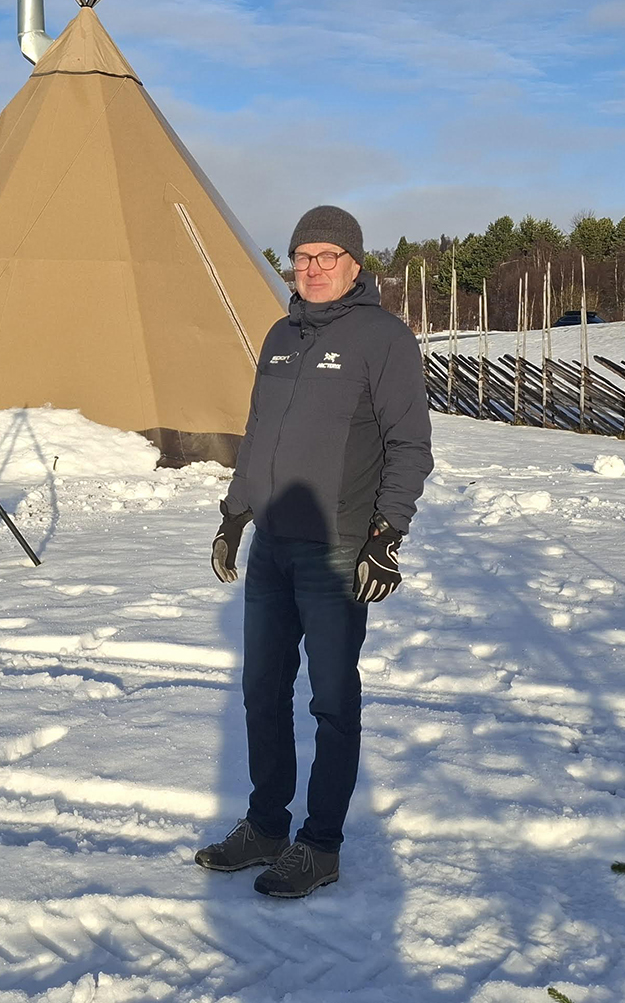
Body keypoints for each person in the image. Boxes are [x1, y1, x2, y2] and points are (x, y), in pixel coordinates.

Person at [195, 205, 433, 898]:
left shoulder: (382, 337)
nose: (313, 268)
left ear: (354, 263)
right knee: (261, 691)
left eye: (328, 256)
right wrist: (234, 515)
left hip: (338, 550)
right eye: (303, 256)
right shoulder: (279, 335)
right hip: (272, 547)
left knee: (332, 700)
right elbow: (259, 432)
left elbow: (410, 446)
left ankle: (319, 843)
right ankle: (266, 825)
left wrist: (386, 539)